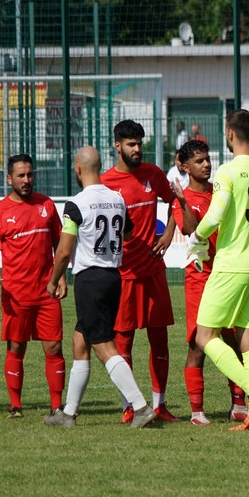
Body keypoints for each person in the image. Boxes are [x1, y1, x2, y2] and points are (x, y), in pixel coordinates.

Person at [43, 146, 156, 429]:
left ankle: (141, 407)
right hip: (113, 277)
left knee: (103, 346)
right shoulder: (117, 199)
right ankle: (68, 414)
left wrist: (53, 279)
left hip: (90, 279)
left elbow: (64, 251)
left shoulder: (76, 204)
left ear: (78, 169)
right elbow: (127, 232)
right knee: (80, 341)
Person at [189, 109, 249, 431]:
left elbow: (215, 216)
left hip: (231, 265)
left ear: (229, 133)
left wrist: (196, 237)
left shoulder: (228, 171)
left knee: (205, 336)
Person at [100, 120, 178, 423]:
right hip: (122, 275)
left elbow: (174, 202)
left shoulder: (153, 174)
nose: (137, 149)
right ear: (117, 146)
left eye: (139, 143)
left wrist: (169, 233)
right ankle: (129, 406)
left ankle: (160, 405)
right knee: (124, 342)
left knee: (160, 339)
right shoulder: (105, 182)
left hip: (153, 270)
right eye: (131, 144)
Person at [0, 154, 65, 419]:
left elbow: (59, 243)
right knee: (16, 348)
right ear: (10, 179)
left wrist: (61, 275)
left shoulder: (46, 205)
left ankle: (57, 405)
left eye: (29, 174)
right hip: (16, 294)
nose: (26, 180)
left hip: (47, 291)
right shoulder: (0, 212)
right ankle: (15, 405)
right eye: (21, 176)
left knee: (54, 347)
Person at [170, 139, 247, 425]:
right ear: (185, 167)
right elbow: (191, 231)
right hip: (199, 279)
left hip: (226, 275)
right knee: (198, 345)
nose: (206, 165)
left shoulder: (221, 192)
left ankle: (238, 404)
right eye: (199, 161)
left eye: (207, 159)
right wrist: (181, 201)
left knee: (233, 341)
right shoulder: (182, 199)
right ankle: (197, 412)